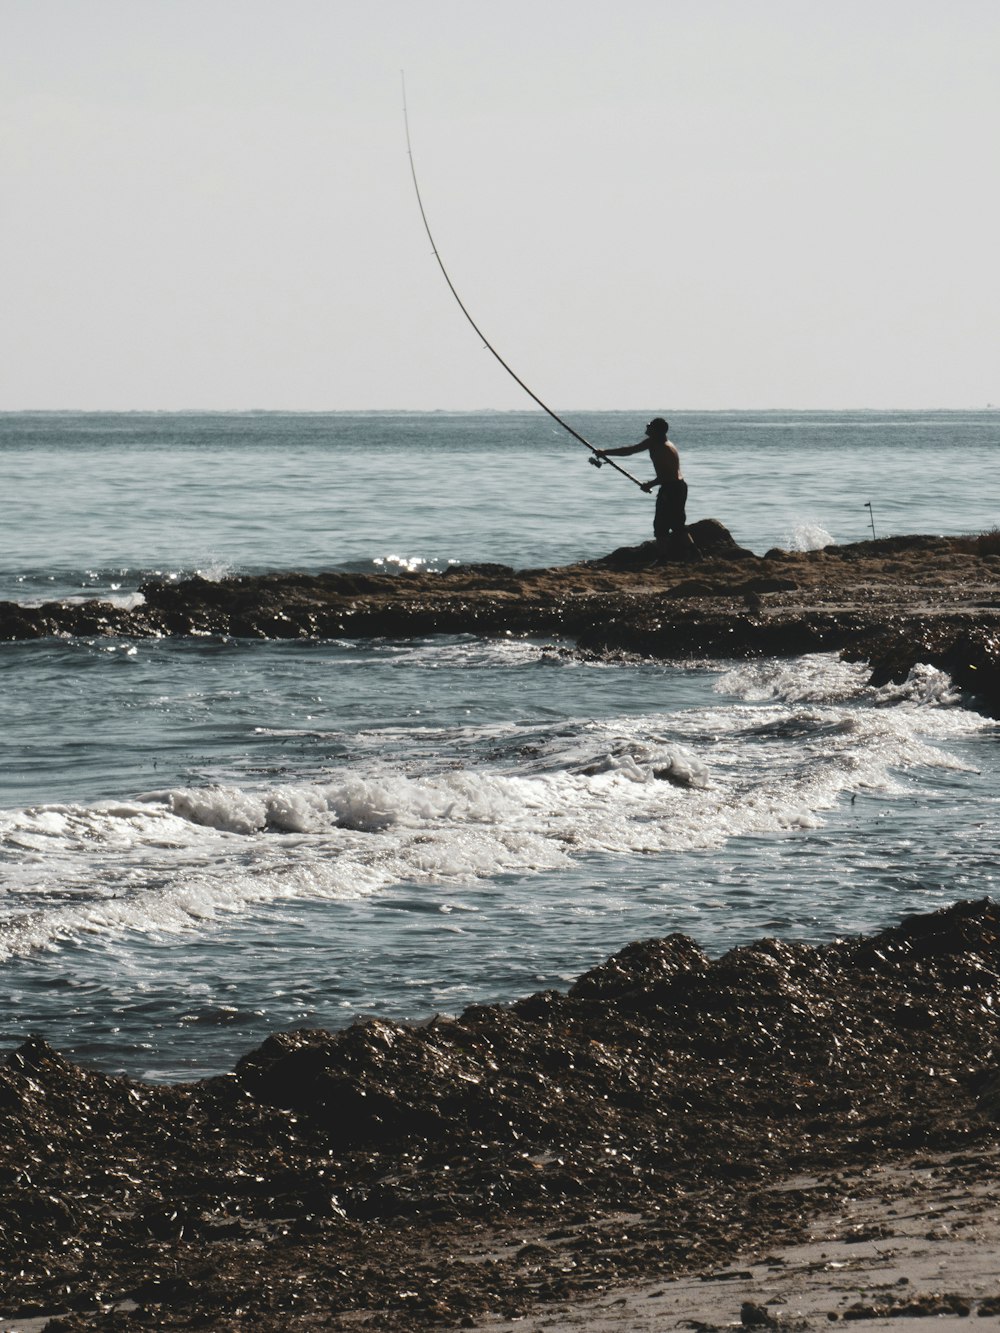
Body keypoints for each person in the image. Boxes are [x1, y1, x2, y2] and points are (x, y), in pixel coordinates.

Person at [595, 418, 695, 556]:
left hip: (672, 488)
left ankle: (665, 558)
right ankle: (694, 554)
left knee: (661, 526)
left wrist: (650, 484)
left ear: (657, 431)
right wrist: (605, 452)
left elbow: (668, 475)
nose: (647, 428)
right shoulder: (655, 442)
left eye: (650, 426)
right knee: (676, 524)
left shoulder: (664, 448)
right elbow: (629, 450)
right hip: (676, 487)